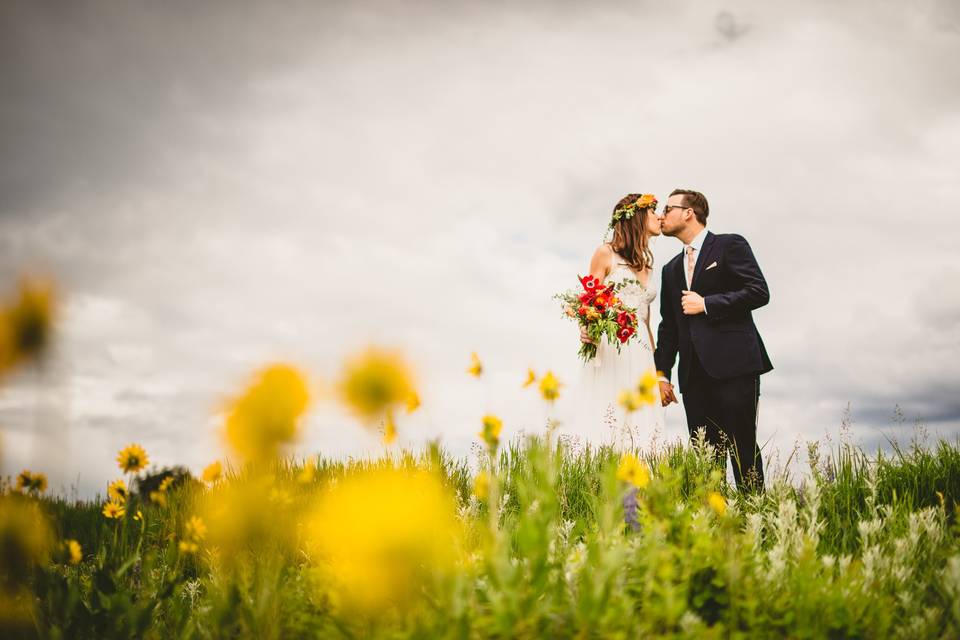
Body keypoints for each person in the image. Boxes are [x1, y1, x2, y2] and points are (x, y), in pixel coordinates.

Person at [654, 188, 772, 492]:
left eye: (667, 209)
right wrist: (662, 373)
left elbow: (759, 291)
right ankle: (714, 526)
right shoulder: (669, 270)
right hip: (693, 375)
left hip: (735, 366)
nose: (661, 216)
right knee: (705, 458)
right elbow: (669, 326)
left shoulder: (730, 245)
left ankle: (755, 517)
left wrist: (707, 304)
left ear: (688, 213)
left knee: (742, 448)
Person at [575, 193, 665, 451]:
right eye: (653, 211)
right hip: (613, 347)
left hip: (643, 355)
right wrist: (585, 328)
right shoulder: (606, 254)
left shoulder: (648, 265)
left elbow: (646, 322)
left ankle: (642, 488)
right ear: (636, 217)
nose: (659, 216)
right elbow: (588, 303)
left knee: (643, 423)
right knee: (610, 414)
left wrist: (658, 372)